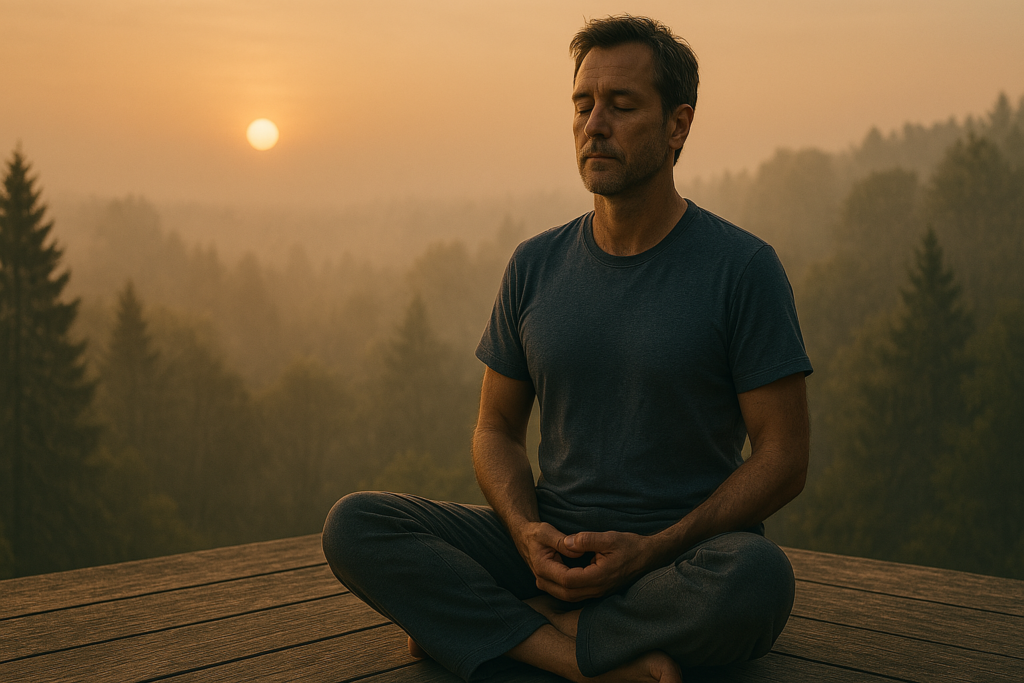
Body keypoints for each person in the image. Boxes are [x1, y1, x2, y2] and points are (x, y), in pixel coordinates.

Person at [322, 15, 812, 683]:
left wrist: (651, 550)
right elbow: (494, 427)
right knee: (357, 524)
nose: (595, 123)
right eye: (583, 104)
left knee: (759, 579)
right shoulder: (535, 264)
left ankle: (494, 627)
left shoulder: (742, 268)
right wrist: (525, 532)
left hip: (680, 560)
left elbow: (784, 456)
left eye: (622, 104)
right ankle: (579, 656)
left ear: (678, 125)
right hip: (548, 547)